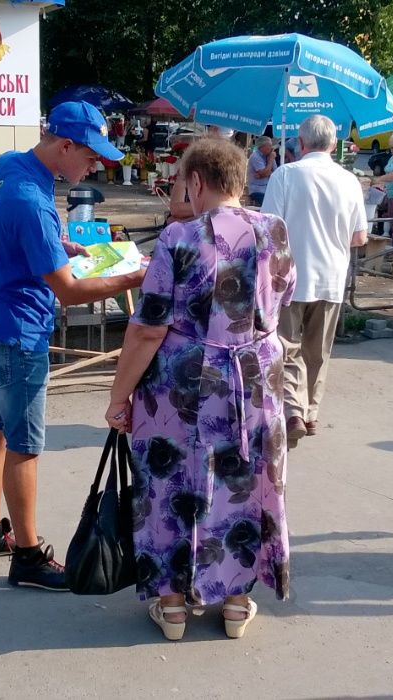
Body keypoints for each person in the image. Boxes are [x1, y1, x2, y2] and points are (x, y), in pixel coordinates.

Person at [105, 138, 296, 640]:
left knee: (170, 485)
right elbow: (284, 296)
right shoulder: (274, 230)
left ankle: (171, 608)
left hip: (183, 384)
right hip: (256, 377)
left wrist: (118, 396)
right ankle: (235, 604)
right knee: (247, 479)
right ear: (238, 180)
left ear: (195, 182)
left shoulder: (179, 238)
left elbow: (147, 328)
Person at [0, 101, 145, 591]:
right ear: (64, 145)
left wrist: (55, 246)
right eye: (91, 158)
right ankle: (27, 555)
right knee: (25, 445)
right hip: (18, 329)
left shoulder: (10, 165)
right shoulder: (31, 198)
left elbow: (4, 233)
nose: (95, 168)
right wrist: (134, 275)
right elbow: (67, 291)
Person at [262, 115, 368, 448]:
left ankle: (292, 410)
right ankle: (310, 413)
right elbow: (361, 237)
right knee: (318, 352)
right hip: (332, 278)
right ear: (334, 145)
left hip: (291, 276)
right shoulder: (350, 180)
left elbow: (268, 230)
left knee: (287, 346)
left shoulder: (285, 175)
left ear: (300, 143)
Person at [247, 135, 277, 206]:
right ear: (262, 146)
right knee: (269, 206)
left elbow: (275, 172)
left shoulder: (269, 155)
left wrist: (264, 174)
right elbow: (265, 173)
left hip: (267, 190)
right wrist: (270, 160)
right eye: (269, 145)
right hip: (257, 191)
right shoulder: (255, 156)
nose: (272, 148)